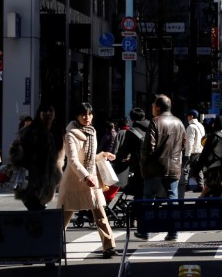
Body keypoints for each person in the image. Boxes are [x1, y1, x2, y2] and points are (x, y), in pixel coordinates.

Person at [56, 102, 117, 259]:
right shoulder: (70, 134)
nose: (87, 117)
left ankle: (109, 246)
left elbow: (89, 158)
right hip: (74, 181)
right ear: (76, 116)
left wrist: (103, 155)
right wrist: (86, 176)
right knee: (63, 219)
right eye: (83, 114)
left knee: (100, 214)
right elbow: (73, 160)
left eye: (90, 114)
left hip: (90, 179)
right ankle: (52, 248)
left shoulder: (92, 131)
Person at [136, 94, 186, 242]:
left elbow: (148, 148)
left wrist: (143, 164)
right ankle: (173, 232)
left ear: (157, 107)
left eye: (153, 105)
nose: (152, 108)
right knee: (172, 199)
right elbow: (184, 145)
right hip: (173, 168)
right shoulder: (179, 122)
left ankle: (146, 230)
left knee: (148, 200)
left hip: (155, 168)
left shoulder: (155, 122)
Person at [9, 102, 64, 210]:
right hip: (30, 181)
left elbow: (59, 158)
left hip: (48, 181)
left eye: (51, 111)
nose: (48, 113)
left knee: (38, 215)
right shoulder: (30, 132)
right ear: (39, 113)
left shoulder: (56, 133)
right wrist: (16, 149)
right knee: (36, 211)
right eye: (44, 111)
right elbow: (17, 157)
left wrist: (57, 174)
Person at [111, 107, 149, 198]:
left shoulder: (132, 132)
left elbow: (124, 151)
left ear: (132, 119)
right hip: (155, 166)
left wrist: (114, 160)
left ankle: (138, 210)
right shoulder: (152, 127)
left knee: (139, 194)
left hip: (140, 168)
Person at [181, 109, 205, 194]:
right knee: (198, 169)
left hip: (193, 151)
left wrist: (187, 154)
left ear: (191, 116)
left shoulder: (191, 127)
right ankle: (201, 185)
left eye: (188, 116)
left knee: (185, 169)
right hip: (200, 150)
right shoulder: (200, 125)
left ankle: (185, 185)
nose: (187, 117)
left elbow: (189, 142)